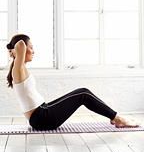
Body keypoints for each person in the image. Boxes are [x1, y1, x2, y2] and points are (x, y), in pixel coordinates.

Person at [6, 34, 139, 131]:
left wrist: (14, 49)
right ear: (20, 51)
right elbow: (20, 44)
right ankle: (117, 118)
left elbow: (20, 46)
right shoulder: (18, 69)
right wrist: (13, 48)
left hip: (42, 112)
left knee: (82, 92)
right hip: (42, 118)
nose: (33, 51)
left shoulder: (20, 68)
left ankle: (115, 117)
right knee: (83, 94)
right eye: (31, 47)